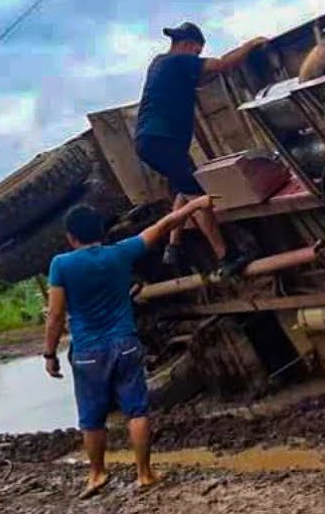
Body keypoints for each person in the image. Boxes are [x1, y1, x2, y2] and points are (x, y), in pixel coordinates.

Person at [43, 195, 214, 499]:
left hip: (87, 352)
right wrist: (193, 205)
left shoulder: (61, 264)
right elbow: (162, 226)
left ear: (71, 237)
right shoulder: (119, 254)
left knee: (92, 418)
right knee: (136, 410)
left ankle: (96, 474)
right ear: (100, 232)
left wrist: (49, 354)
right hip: (125, 344)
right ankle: (144, 473)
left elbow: (55, 314)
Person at [134, 21, 268, 277]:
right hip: (162, 141)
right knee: (199, 199)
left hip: (153, 141)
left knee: (186, 186)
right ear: (186, 45)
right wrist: (249, 46)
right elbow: (220, 65)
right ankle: (227, 256)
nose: (197, 58)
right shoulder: (178, 61)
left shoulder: (161, 63)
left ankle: (173, 246)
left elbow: (204, 76)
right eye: (197, 52)